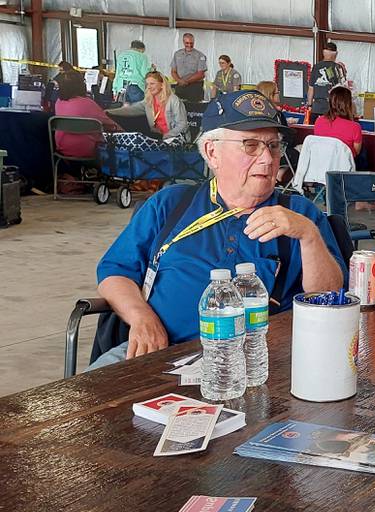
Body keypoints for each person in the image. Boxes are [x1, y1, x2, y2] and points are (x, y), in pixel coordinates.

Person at [90, 89, 345, 367]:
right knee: (84, 404)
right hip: (158, 353)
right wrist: (141, 318)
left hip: (257, 364)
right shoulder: (171, 204)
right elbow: (114, 272)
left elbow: (328, 297)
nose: (268, 159)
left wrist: (308, 237)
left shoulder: (298, 214)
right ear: (213, 152)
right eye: (251, 145)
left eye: (273, 146)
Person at [54, 71, 121, 159]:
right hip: (89, 151)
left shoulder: (58, 102)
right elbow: (112, 126)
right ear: (81, 85)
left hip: (63, 150)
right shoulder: (87, 103)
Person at [108, 71, 189, 142]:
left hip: (174, 138)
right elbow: (132, 109)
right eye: (147, 84)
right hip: (157, 137)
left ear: (162, 85)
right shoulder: (149, 100)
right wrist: (109, 112)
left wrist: (165, 137)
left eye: (152, 84)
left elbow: (182, 125)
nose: (149, 87)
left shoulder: (173, 100)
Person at [313, 86, 362, 157]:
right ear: (348, 104)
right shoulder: (355, 127)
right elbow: (356, 152)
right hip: (344, 165)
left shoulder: (318, 121)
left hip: (322, 162)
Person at [307, 41, 347, 122]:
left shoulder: (316, 67)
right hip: (332, 109)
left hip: (316, 108)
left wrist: (310, 105)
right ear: (336, 54)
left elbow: (311, 88)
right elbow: (343, 89)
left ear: (323, 53)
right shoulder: (338, 68)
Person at [170, 33, 207, 102]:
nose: (189, 45)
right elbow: (173, 71)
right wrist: (179, 81)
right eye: (187, 43)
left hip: (195, 88)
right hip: (180, 86)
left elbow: (201, 74)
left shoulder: (200, 55)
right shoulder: (177, 54)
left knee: (194, 110)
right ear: (183, 42)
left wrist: (186, 81)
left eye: (191, 43)